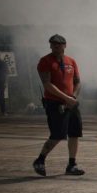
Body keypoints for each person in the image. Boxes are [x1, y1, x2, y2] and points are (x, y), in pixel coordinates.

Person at [33, 34, 84, 176]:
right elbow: (47, 84)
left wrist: (72, 97)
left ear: (65, 45)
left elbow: (78, 82)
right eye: (53, 43)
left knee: (75, 133)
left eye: (59, 43)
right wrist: (66, 98)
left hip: (71, 102)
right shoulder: (45, 61)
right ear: (50, 45)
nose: (56, 46)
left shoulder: (71, 61)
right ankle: (40, 160)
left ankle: (72, 164)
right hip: (55, 103)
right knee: (57, 134)